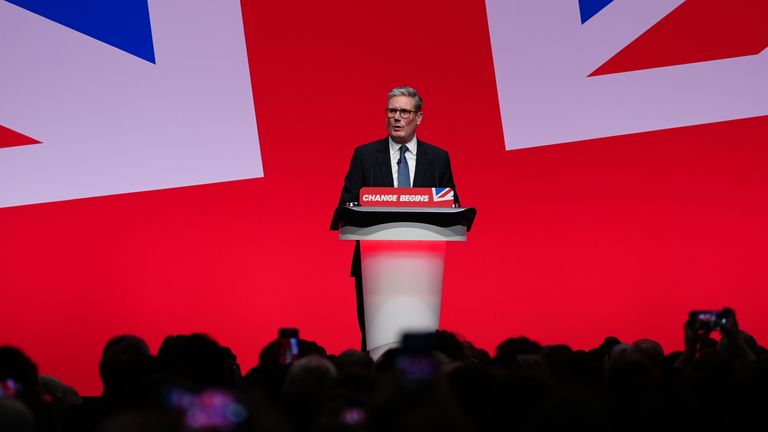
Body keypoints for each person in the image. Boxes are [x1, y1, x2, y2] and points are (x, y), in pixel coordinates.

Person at [337, 86, 460, 350]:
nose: (397, 117)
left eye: (404, 111)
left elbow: (452, 204)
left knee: (422, 342)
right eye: (392, 110)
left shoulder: (438, 158)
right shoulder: (365, 155)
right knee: (375, 340)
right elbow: (346, 204)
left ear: (419, 117)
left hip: (422, 266)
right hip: (374, 265)